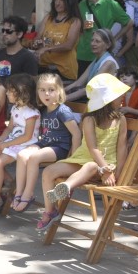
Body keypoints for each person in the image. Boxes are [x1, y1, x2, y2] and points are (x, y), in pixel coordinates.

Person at [36, 73, 129, 232]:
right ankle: (50, 211)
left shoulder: (121, 119)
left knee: (91, 166)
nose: (122, 97)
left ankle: (66, 186)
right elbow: (92, 148)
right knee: (49, 171)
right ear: (107, 99)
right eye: (118, 95)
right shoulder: (89, 120)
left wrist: (116, 172)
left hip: (104, 166)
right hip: (83, 158)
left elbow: (122, 148)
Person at [12, 74, 82, 211]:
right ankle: (19, 192)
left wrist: (73, 157)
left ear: (59, 91)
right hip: (44, 144)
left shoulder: (63, 111)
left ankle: (28, 193)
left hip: (59, 148)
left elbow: (76, 134)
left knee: (34, 158)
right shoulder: (44, 110)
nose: (46, 94)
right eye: (42, 90)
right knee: (21, 155)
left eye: (51, 90)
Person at [0, 74, 40, 214]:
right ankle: (9, 181)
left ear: (21, 93)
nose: (7, 93)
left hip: (24, 145)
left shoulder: (31, 113)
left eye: (10, 90)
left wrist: (6, 145)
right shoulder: (15, 108)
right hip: (12, 142)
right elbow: (10, 128)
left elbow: (27, 136)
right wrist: (1, 139)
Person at [77, 0, 132, 74]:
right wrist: (81, 26)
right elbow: (74, 26)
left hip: (101, 54)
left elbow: (129, 23)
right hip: (83, 53)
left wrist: (114, 38)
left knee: (98, 86)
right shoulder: (81, 5)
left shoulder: (111, 4)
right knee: (82, 86)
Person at [33, 0, 81, 81]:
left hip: (64, 71)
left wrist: (46, 49)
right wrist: (37, 43)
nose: (58, 3)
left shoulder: (74, 21)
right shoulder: (48, 17)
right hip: (44, 67)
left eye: (62, 0)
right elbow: (38, 38)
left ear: (69, 2)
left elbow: (69, 45)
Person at [65, 29, 119, 102]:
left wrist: (62, 99)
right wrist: (59, 93)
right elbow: (78, 83)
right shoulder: (96, 60)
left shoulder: (108, 63)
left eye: (97, 41)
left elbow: (89, 88)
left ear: (108, 45)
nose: (93, 44)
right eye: (92, 40)